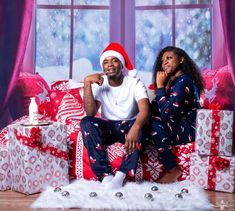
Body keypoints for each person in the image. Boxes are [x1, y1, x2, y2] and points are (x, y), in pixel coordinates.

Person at [80, 42, 150, 189]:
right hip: (109, 126)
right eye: (105, 62)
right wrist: (87, 83)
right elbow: (91, 113)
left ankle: (120, 177)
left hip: (128, 125)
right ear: (102, 67)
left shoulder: (134, 83)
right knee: (87, 122)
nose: (110, 64)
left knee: (141, 125)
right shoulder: (100, 83)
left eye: (114, 60)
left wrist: (136, 126)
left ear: (122, 65)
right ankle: (105, 176)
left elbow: (145, 110)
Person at [149, 46, 204, 183]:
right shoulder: (172, 82)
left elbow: (168, 113)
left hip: (190, 128)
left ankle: (173, 169)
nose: (164, 63)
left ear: (181, 60)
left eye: (169, 58)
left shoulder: (184, 81)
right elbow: (158, 108)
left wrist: (160, 87)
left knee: (154, 123)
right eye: (162, 60)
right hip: (177, 124)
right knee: (140, 123)